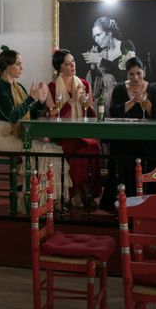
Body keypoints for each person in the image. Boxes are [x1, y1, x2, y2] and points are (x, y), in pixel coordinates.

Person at [0, 47, 72, 209]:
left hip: (19, 135)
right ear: (7, 66)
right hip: (4, 137)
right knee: (43, 150)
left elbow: (30, 116)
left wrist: (39, 101)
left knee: (55, 149)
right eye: (18, 64)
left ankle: (48, 199)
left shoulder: (17, 86)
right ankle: (36, 203)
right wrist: (30, 98)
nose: (22, 68)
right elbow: (12, 116)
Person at [99, 56, 156, 209]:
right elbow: (114, 112)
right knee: (123, 152)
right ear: (127, 74)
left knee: (150, 151)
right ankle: (121, 200)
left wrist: (145, 102)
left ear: (144, 72)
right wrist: (133, 101)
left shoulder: (152, 89)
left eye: (139, 73)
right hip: (125, 136)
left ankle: (147, 200)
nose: (136, 77)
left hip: (146, 137)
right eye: (132, 74)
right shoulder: (120, 88)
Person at [46, 49, 102, 208]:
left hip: (82, 130)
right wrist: (72, 101)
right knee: (73, 146)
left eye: (73, 61)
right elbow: (52, 116)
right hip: (61, 133)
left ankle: (86, 190)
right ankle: (75, 191)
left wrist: (85, 104)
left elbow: (91, 115)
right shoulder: (52, 86)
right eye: (67, 63)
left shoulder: (84, 84)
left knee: (92, 146)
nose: (72, 65)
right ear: (59, 67)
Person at [81, 17, 135, 111]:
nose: (96, 40)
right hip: (105, 103)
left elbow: (128, 73)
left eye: (98, 35)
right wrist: (93, 67)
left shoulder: (126, 45)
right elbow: (94, 89)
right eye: (94, 37)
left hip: (125, 99)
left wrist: (101, 60)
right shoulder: (101, 54)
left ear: (109, 33)